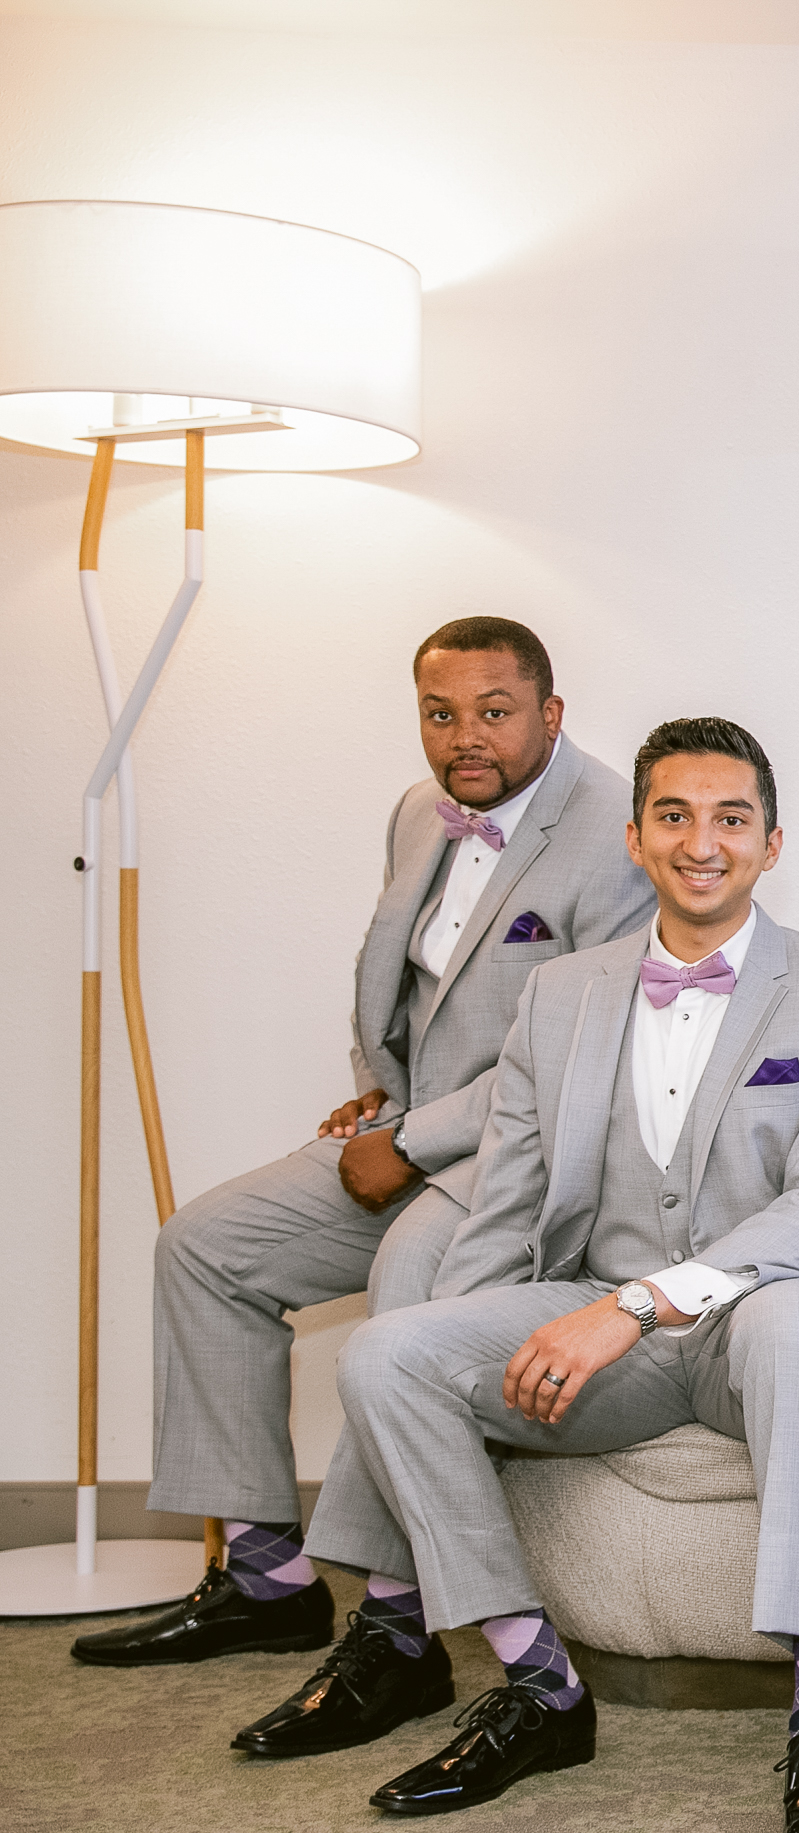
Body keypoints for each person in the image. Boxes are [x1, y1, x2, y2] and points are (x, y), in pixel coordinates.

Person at [231, 717, 799, 1833]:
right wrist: (464, 1352)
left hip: (761, 1317)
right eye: (674, 816)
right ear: (637, 838)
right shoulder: (559, 995)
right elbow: (507, 1202)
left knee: (795, 1318)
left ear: (772, 841)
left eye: (731, 817)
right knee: (389, 1350)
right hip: (614, 1321)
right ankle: (539, 1684)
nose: (703, 842)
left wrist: (632, 1306)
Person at [75, 618, 652, 1671]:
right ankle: (265, 1579)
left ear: (551, 713)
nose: (465, 736)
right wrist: (379, 1089)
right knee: (204, 1247)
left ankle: (396, 1623)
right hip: (410, 1127)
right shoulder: (418, 811)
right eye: (440, 713)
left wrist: (416, 1140)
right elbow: (397, 975)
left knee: (406, 1280)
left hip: (527, 1157)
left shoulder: (617, 831)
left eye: (494, 711)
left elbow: (584, 1051)